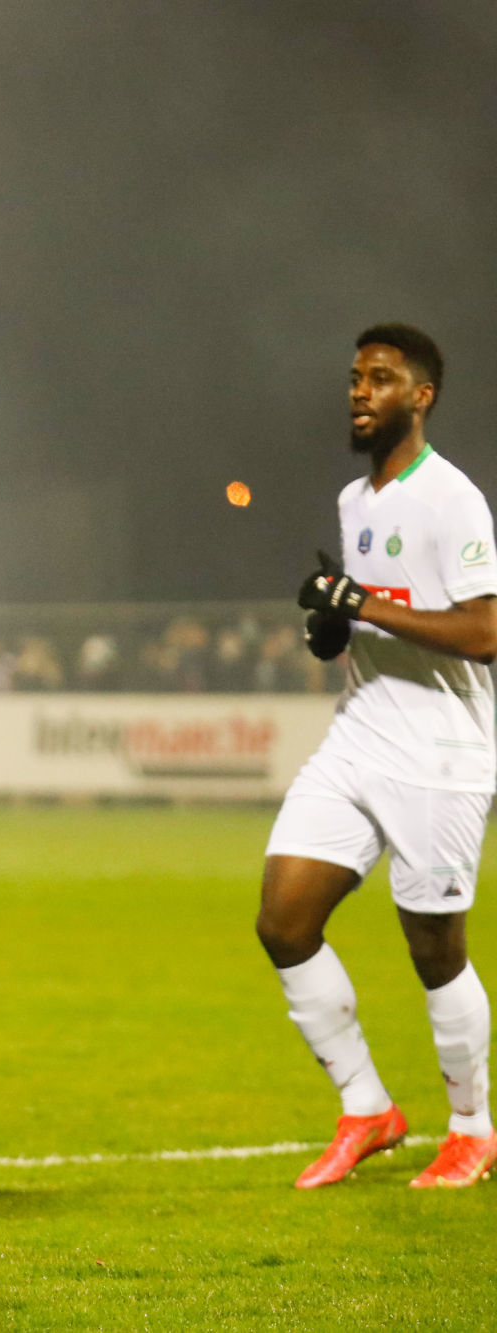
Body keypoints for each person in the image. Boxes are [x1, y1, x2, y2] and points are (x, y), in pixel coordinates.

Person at [264, 324, 497, 1190]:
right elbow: (363, 621)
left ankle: (472, 1129)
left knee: (435, 950)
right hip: (360, 734)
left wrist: (363, 603)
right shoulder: (354, 501)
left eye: (382, 378)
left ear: (421, 396)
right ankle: (368, 1108)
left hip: (440, 751)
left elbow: (484, 631)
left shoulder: (452, 499)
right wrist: (334, 626)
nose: (361, 390)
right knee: (284, 922)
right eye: (357, 376)